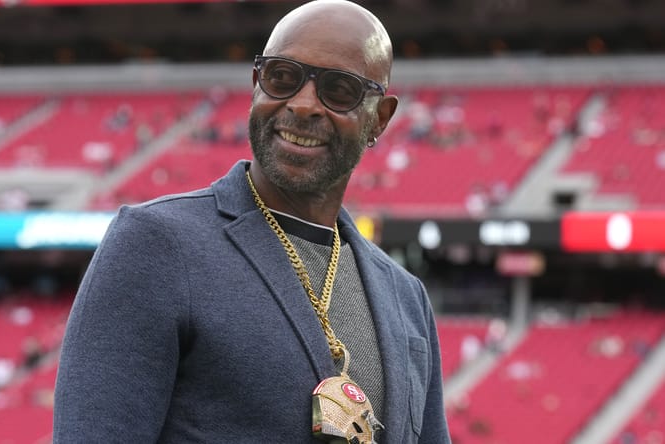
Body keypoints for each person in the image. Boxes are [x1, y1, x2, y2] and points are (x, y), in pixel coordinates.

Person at [53, 1, 450, 443]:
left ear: (379, 118)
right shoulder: (157, 244)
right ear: (256, 85)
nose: (302, 105)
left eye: (339, 90)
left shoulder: (405, 297)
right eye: (282, 77)